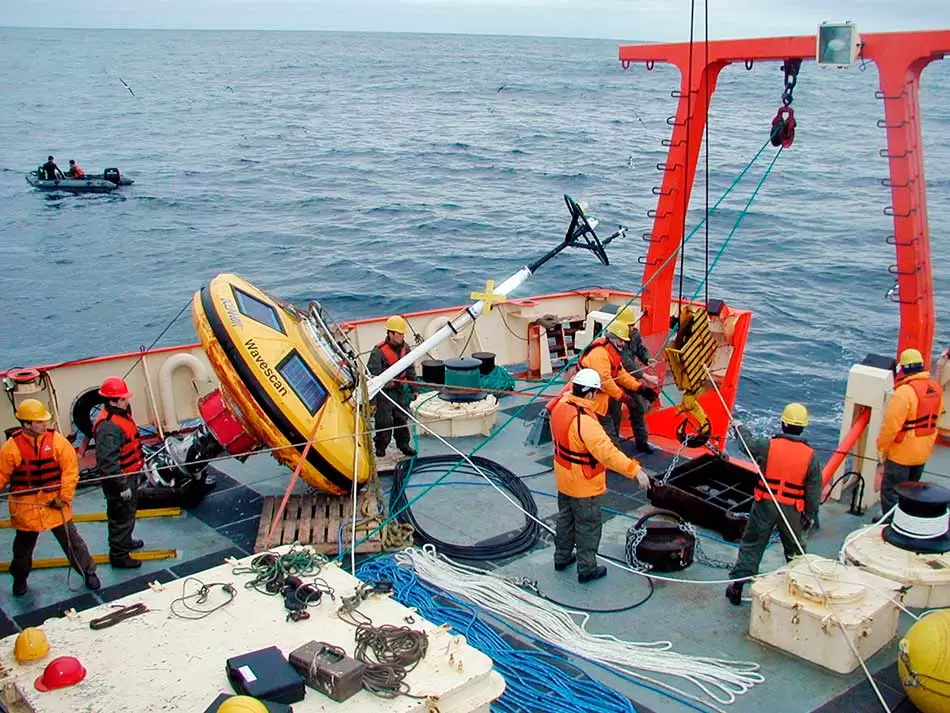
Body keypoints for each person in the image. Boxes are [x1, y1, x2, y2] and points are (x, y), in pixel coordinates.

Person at [551, 368, 651, 583]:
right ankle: (587, 569)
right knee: (588, 525)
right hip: (583, 484)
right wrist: (636, 471)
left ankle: (561, 557)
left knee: (566, 519)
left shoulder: (560, 407)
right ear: (589, 394)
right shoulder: (586, 422)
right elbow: (609, 454)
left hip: (564, 477)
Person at [725, 403, 822, 605]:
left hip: (764, 505)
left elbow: (746, 444)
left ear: (783, 423)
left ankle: (737, 586)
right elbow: (813, 491)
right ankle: (800, 588)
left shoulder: (768, 445)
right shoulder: (810, 455)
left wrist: (739, 426)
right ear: (803, 427)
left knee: (752, 544)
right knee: (795, 550)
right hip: (792, 509)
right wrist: (810, 516)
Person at [0, 399, 99, 595]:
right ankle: (20, 579)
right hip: (26, 509)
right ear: (27, 424)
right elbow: (1, 474)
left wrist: (64, 497)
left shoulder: (57, 442)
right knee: (22, 549)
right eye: (40, 422)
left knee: (73, 541)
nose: (45, 424)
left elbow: (70, 472)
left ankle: (88, 572)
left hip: (56, 505)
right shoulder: (11, 449)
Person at [875, 348, 945, 519]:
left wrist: (881, 450)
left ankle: (890, 523)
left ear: (903, 369)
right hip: (922, 453)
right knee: (911, 492)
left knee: (891, 492)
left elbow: (891, 427)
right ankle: (906, 520)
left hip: (901, 454)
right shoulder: (936, 388)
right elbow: (937, 417)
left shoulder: (904, 393)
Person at [578, 320, 658, 447]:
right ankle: (612, 457)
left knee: (615, 419)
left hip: (606, 395)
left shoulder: (611, 351)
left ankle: (615, 448)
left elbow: (620, 374)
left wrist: (640, 388)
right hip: (594, 399)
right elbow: (606, 381)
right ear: (613, 339)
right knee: (607, 430)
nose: (623, 344)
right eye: (621, 341)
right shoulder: (600, 354)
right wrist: (623, 397)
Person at [94, 376, 145, 569]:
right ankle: (119, 555)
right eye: (123, 399)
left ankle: (125, 541)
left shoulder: (120, 415)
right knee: (120, 516)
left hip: (130, 473)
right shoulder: (108, 427)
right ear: (112, 401)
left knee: (128, 511)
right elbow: (108, 463)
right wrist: (122, 486)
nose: (127, 401)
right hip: (120, 480)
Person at [367, 315, 417, 458]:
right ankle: (381, 446)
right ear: (390, 333)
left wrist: (414, 389)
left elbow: (410, 370)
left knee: (401, 418)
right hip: (384, 393)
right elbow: (372, 377)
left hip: (399, 391)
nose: (402, 336)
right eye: (399, 334)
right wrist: (373, 402)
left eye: (402, 334)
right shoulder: (378, 352)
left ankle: (404, 445)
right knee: (384, 421)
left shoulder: (405, 349)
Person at [613, 306, 660, 453]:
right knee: (614, 413)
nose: (632, 328)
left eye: (632, 325)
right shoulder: (615, 339)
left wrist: (647, 359)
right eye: (629, 326)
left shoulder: (634, 335)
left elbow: (640, 348)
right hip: (614, 379)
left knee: (638, 408)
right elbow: (626, 362)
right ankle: (613, 448)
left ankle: (642, 443)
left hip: (630, 378)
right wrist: (646, 376)